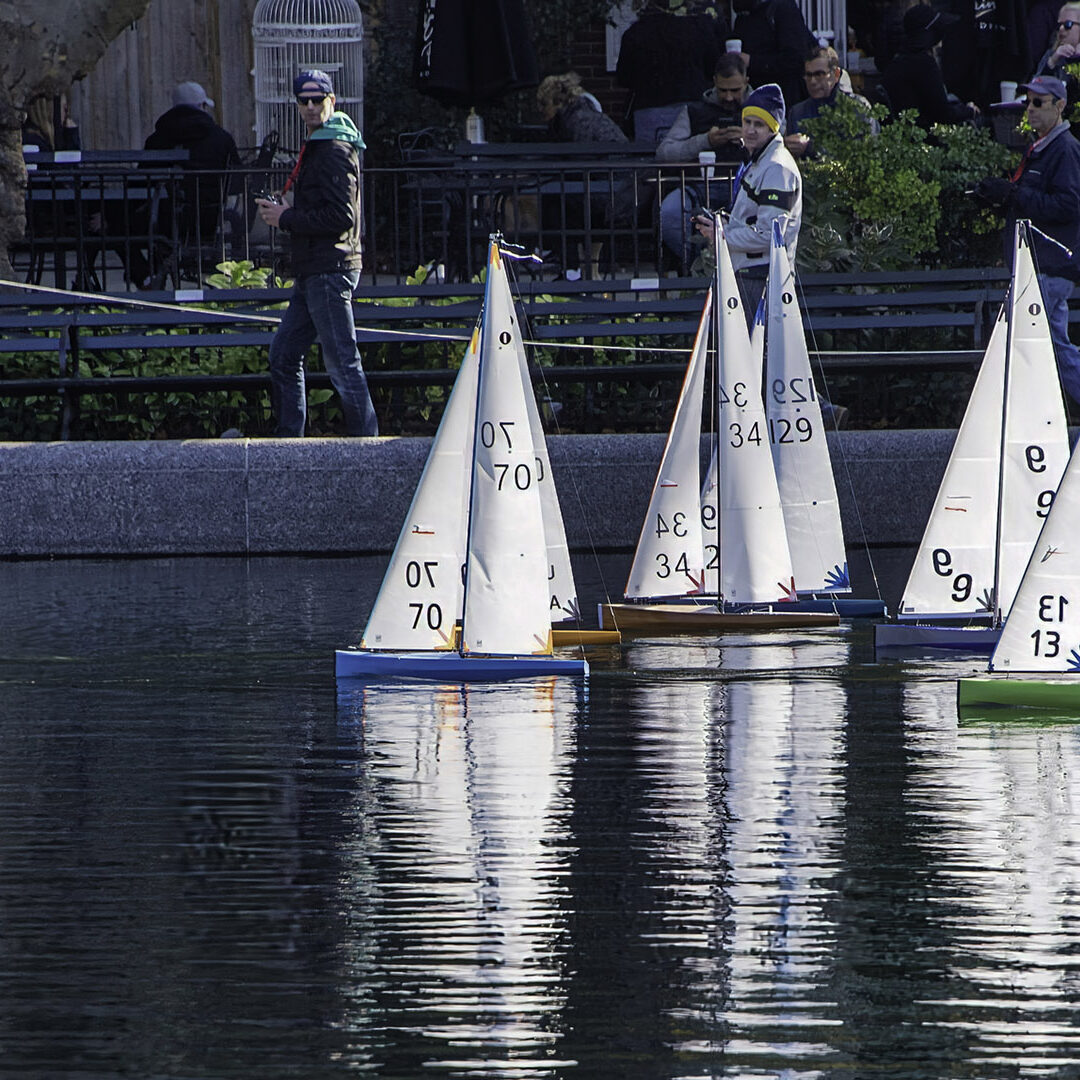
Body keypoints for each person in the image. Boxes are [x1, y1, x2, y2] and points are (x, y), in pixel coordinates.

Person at [257, 69, 379, 438]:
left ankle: (368, 447)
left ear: (332, 101)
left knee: (342, 362)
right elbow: (329, 206)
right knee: (283, 356)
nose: (310, 107)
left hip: (329, 268)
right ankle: (289, 442)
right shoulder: (324, 143)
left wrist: (286, 217)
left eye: (317, 100)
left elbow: (342, 216)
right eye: (303, 101)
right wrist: (291, 206)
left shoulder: (334, 149)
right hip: (315, 269)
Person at [974, 75, 1080, 406]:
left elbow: (1068, 205)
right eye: (1027, 103)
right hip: (1037, 267)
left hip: (1049, 266)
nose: (1030, 110)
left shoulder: (1065, 149)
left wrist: (1014, 193)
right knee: (1046, 345)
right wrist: (1001, 195)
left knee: (1039, 345)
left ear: (1060, 106)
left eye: (1038, 103)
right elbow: (1032, 198)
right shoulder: (1041, 147)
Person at [657, 53, 750, 269]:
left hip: (747, 187)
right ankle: (701, 265)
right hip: (698, 187)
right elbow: (665, 153)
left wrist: (748, 139)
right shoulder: (694, 111)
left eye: (735, 91)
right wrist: (705, 140)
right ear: (714, 82)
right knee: (670, 213)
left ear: (746, 82)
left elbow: (778, 144)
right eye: (723, 90)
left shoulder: (760, 108)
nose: (728, 97)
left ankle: (733, 267)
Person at [145, 81, 240, 245]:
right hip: (212, 216)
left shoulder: (157, 140)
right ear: (202, 105)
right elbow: (236, 181)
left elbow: (143, 179)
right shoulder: (221, 138)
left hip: (166, 218)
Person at [616, 0, 723, 144]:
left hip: (649, 111)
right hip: (692, 107)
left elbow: (624, 78)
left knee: (648, 160)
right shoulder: (700, 29)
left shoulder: (635, 33)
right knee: (693, 158)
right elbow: (714, 69)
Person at [881, 4, 981, 128]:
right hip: (924, 138)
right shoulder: (923, 64)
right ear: (929, 34)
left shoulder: (897, 61)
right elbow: (944, 114)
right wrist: (969, 111)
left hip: (905, 136)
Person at [784, 45, 879, 159]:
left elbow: (863, 155)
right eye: (808, 75)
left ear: (836, 74)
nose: (813, 81)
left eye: (819, 74)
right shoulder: (797, 113)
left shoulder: (858, 108)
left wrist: (810, 148)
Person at [731, 0, 817, 108]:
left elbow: (795, 58)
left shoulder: (782, 9)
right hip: (756, 97)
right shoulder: (744, 14)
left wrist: (752, 61)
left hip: (784, 97)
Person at [1033, 3, 1080, 133]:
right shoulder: (1051, 55)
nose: (1061, 29)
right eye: (1058, 25)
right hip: (1056, 126)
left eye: (1068, 25)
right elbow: (1035, 88)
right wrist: (1052, 61)